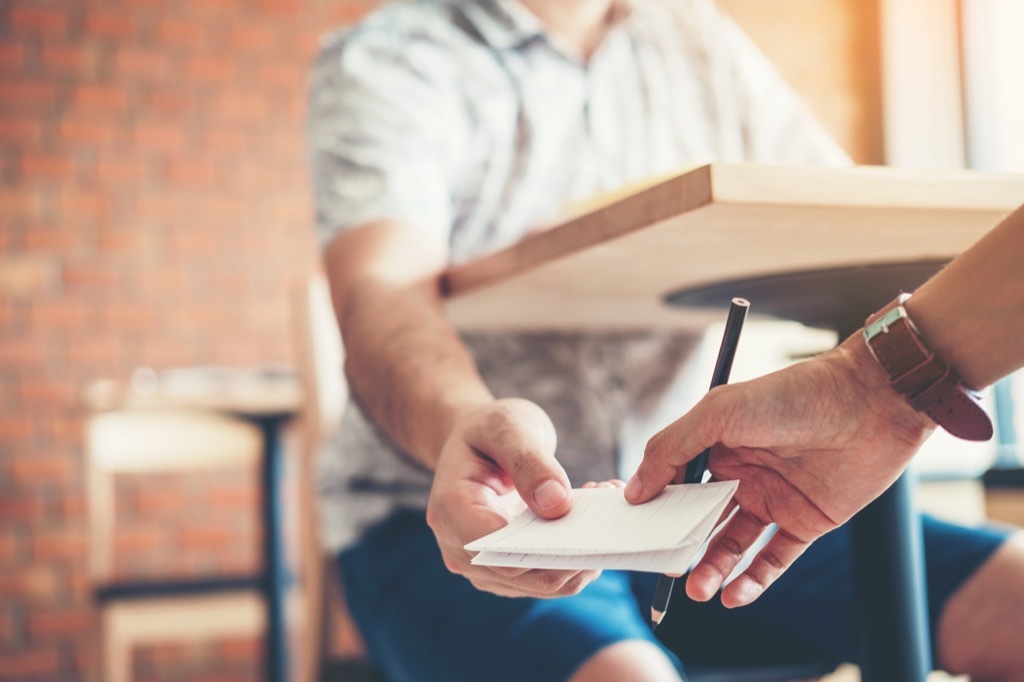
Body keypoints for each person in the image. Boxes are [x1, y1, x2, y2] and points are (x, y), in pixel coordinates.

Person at [307, 0, 1024, 679]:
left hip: (704, 505)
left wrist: (883, 379)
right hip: (477, 513)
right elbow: (383, 291)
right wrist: (458, 424)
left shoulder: (694, 35)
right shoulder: (391, 57)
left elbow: (836, 210)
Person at [629, 203, 1024, 669]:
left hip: (723, 501)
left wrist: (866, 385)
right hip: (564, 542)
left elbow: (848, 207)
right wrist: (865, 383)